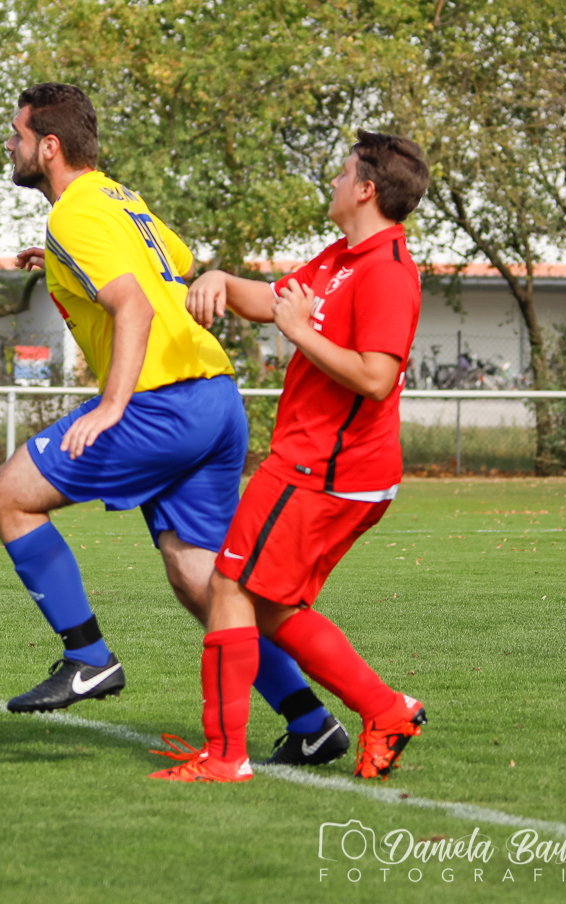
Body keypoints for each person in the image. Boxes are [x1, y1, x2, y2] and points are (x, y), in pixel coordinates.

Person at [0, 84, 342, 764]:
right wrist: (62, 266)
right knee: (202, 581)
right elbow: (171, 264)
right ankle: (311, 721)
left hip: (159, 405)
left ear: (48, 146)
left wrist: (113, 408)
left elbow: (136, 306)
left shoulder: (75, 216)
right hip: (214, 398)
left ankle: (86, 655)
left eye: (17, 132)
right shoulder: (120, 198)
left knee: (8, 497)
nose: (10, 142)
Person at [150, 130, 431, 783]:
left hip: (323, 470)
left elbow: (375, 377)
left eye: (341, 172)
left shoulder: (387, 271)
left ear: (366, 188)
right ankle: (387, 710)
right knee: (271, 604)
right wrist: (219, 279)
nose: (332, 181)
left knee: (227, 585)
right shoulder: (341, 258)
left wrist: (301, 333)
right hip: (326, 467)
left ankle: (225, 757)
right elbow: (273, 304)